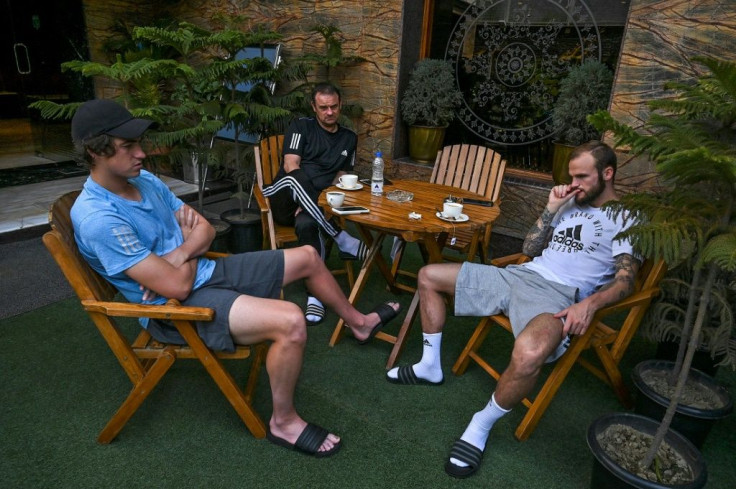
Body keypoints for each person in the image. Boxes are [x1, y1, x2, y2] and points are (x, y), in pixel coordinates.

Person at [69, 99, 399, 457]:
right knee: (291, 320)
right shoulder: (99, 218)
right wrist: (188, 245)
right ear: (95, 152)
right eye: (127, 146)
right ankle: (283, 422)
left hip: (201, 274)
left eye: (138, 143)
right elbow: (177, 287)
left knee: (307, 257)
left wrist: (180, 253)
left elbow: (208, 230)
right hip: (173, 310)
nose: (142, 154)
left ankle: (360, 323)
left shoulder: (144, 181)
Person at [386, 140, 640, 477]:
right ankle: (430, 365)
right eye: (571, 176)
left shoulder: (626, 217)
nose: (573, 183)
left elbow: (626, 281)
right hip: (520, 275)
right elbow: (529, 248)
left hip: (560, 296)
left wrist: (589, 304)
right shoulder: (569, 201)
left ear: (607, 174)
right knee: (428, 275)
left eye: (582, 177)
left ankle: (482, 421)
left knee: (530, 353)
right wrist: (550, 209)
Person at [261, 82, 368, 326]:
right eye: (323, 108)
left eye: (333, 107)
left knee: (308, 224)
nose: (329, 112)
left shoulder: (348, 138)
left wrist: (317, 203)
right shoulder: (301, 126)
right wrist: (304, 196)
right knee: (296, 177)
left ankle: (315, 296)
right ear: (314, 107)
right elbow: (290, 165)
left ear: (340, 106)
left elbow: (341, 177)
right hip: (285, 196)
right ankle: (340, 236)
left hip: (315, 205)